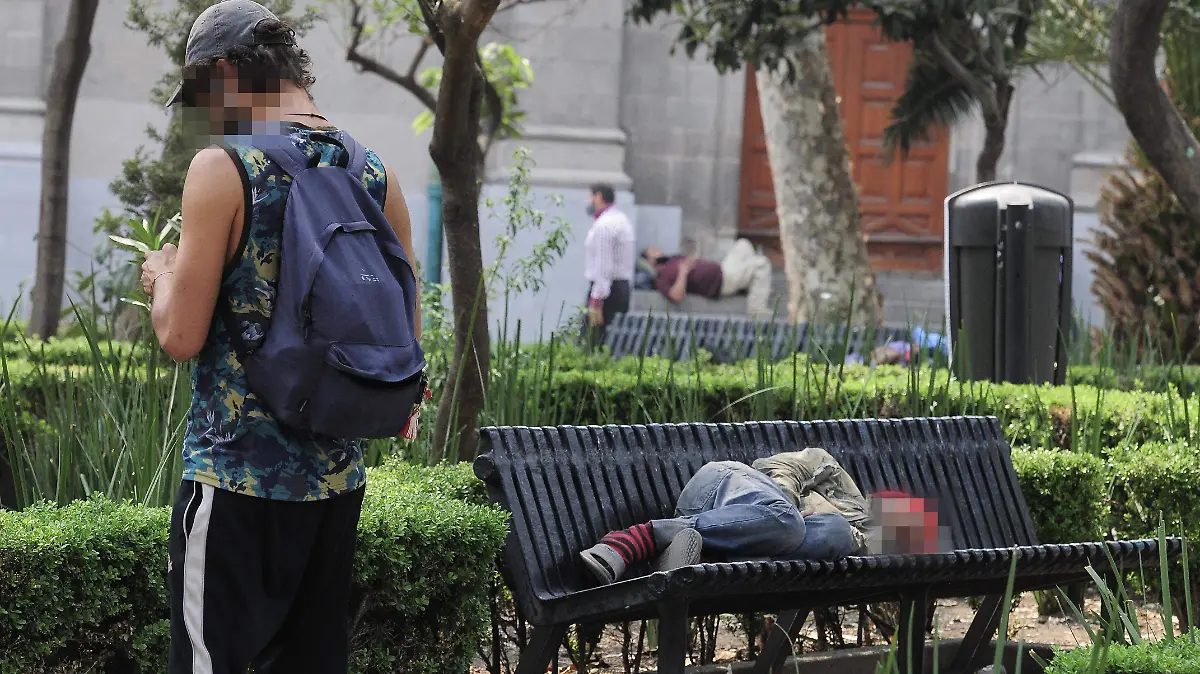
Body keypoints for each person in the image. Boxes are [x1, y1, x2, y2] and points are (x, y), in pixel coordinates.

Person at [138, 2, 420, 671]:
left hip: (236, 480)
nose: (208, 113)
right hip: (335, 484)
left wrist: (163, 273)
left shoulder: (225, 169)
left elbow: (181, 335)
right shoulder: (373, 172)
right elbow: (404, 328)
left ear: (229, 70)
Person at [580, 448, 952, 585]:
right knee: (790, 524)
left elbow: (848, 539)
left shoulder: (848, 538)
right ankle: (634, 539)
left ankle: (695, 552)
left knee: (834, 534)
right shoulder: (835, 477)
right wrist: (788, 505)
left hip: (730, 538)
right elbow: (780, 467)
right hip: (722, 489)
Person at [643, 238, 774, 318]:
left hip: (722, 268)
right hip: (722, 281)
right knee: (761, 264)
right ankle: (756, 308)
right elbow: (676, 296)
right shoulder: (661, 279)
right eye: (653, 251)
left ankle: (753, 285)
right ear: (649, 261)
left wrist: (693, 260)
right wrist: (684, 272)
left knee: (743, 244)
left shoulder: (671, 259)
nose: (658, 250)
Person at [583, 183, 635, 348]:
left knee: (594, 342)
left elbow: (604, 263)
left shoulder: (605, 225)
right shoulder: (621, 219)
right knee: (612, 341)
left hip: (606, 291)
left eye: (590, 196)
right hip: (619, 286)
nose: (589, 201)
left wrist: (596, 298)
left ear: (598, 196)